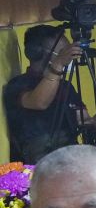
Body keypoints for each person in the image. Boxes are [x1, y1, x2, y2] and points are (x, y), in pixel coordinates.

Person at [3, 26, 90, 164]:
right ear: (36, 53)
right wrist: (58, 64)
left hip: (70, 161)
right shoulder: (17, 84)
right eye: (61, 52)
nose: (67, 57)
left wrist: (90, 123)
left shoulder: (66, 86)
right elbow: (39, 102)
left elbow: (82, 117)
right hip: (35, 168)